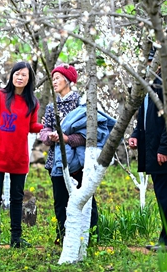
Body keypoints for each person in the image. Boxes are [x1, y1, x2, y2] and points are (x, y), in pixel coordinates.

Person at [128, 48, 167, 251]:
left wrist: (165, 148)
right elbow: (144, 116)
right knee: (164, 195)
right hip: (155, 149)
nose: (149, 67)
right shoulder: (150, 85)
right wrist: (136, 135)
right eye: (147, 63)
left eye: (152, 63)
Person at [0, 61, 43, 249]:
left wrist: (46, 127)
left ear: (29, 78)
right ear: (11, 76)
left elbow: (32, 126)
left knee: (17, 198)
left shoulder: (33, 102)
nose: (20, 77)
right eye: (17, 74)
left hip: (19, 157)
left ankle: (16, 238)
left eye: (24, 75)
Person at [39, 64, 99, 246]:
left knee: (86, 199)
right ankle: (63, 235)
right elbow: (44, 130)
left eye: (57, 78)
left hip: (79, 161)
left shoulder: (81, 104)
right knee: (60, 200)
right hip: (56, 161)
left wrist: (66, 138)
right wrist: (49, 137)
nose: (54, 82)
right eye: (53, 79)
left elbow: (88, 135)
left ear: (68, 80)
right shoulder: (52, 107)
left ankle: (91, 236)